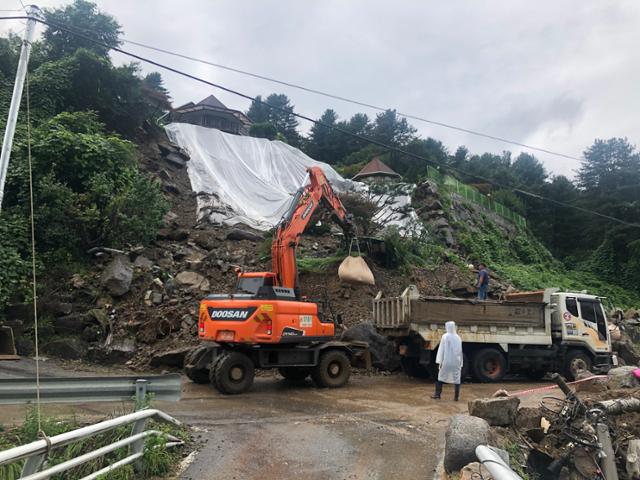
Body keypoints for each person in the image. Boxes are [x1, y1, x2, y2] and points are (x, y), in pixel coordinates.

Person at [431, 321, 463, 401]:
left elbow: (442, 349)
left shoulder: (445, 336)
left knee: (441, 377)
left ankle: (437, 395)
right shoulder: (458, 337)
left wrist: (439, 361)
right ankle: (456, 397)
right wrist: (460, 363)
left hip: (446, 361)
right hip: (456, 362)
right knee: (457, 379)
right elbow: (460, 351)